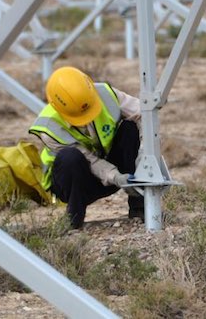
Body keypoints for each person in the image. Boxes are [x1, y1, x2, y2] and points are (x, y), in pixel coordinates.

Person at [29, 66, 143, 229]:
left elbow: (144, 113)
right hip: (74, 183)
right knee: (70, 157)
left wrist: (144, 153)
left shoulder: (105, 94)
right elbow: (90, 161)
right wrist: (115, 176)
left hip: (114, 175)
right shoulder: (49, 127)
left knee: (130, 129)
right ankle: (74, 219)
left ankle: (140, 207)